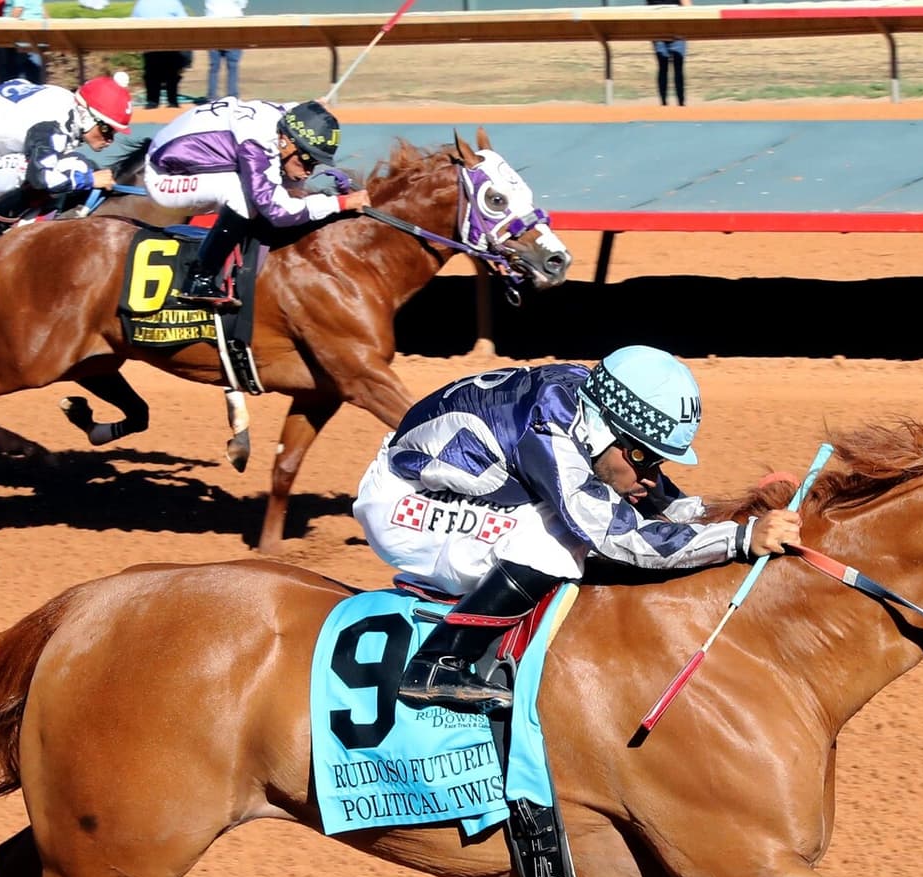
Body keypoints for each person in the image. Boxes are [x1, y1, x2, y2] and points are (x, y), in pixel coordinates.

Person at [352, 346, 803, 712]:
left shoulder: (589, 406)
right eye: (645, 457)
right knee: (558, 537)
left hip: (445, 481)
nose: (651, 475)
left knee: (583, 514)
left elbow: (648, 495)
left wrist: (724, 516)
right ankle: (438, 664)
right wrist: (740, 539)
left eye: (658, 461)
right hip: (402, 505)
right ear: (610, 432)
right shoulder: (551, 436)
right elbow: (617, 533)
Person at [139, 96, 369, 306]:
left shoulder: (286, 123)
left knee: (285, 185)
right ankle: (198, 279)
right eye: (307, 160)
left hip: (191, 160)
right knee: (244, 195)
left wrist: (315, 110)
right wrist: (339, 204)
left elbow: (299, 111)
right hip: (164, 178)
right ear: (286, 143)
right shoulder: (256, 142)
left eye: (315, 164)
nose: (309, 171)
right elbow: (279, 211)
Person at [0, 72, 132, 240]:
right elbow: (40, 179)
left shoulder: (67, 103)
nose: (110, 140)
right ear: (87, 116)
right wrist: (89, 180)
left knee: (80, 165)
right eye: (107, 130)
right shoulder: (51, 125)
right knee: (72, 169)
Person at [133, 0, 191, 110]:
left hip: (150, 45)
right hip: (170, 44)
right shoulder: (173, 2)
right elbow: (184, 20)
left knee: (151, 75)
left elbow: (133, 21)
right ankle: (172, 102)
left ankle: (152, 102)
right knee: (171, 75)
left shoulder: (142, 3)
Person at [647, 0, 691, 108]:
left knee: (678, 66)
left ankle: (681, 103)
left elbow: (688, 6)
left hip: (678, 32)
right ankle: (663, 104)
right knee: (663, 65)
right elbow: (647, 9)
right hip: (658, 32)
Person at [203, 0, 244, 102]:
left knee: (214, 67)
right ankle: (232, 96)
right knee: (232, 66)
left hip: (213, 26)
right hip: (232, 25)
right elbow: (243, 4)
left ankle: (212, 96)